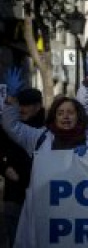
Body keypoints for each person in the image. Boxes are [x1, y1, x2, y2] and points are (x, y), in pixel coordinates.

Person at [2, 68, 88, 157]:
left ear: (78, 116)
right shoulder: (39, 138)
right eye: (60, 113)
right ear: (54, 117)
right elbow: (12, 126)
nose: (65, 116)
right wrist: (11, 98)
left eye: (70, 112)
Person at [0, 88, 44, 247]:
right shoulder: (7, 129)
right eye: (19, 104)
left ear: (38, 107)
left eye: (26, 105)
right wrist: (4, 168)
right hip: (14, 195)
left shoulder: (47, 129)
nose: (21, 109)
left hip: (41, 196)